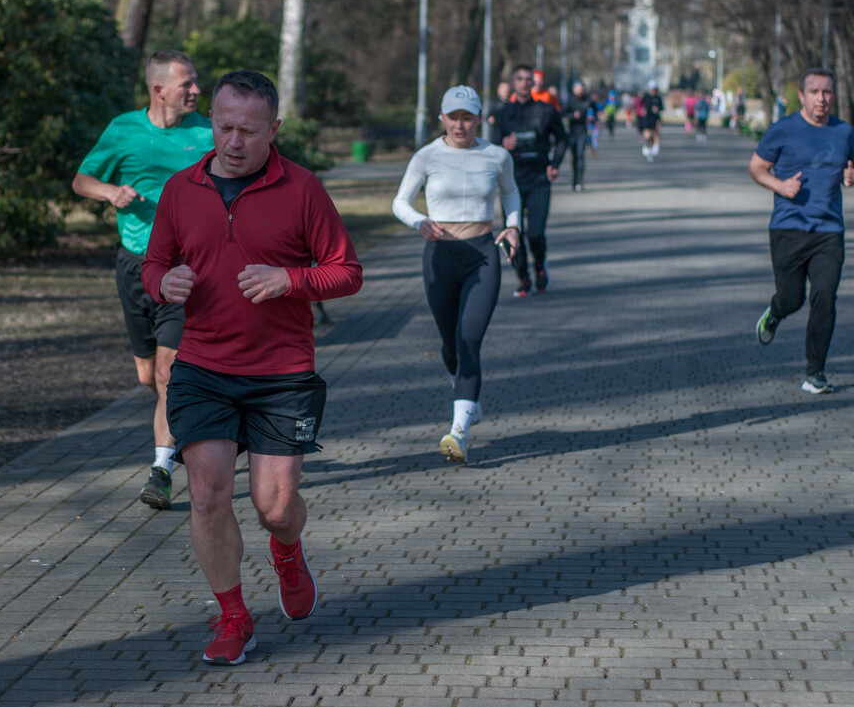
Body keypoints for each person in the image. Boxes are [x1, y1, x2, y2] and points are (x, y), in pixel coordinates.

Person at [142, 70, 362, 665]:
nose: (232, 142)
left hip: (281, 373)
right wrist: (166, 282)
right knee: (207, 496)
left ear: (274, 129)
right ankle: (234, 618)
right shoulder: (182, 189)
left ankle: (287, 551)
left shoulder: (303, 189)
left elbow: (346, 271)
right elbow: (154, 263)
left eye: (247, 130)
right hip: (204, 366)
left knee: (275, 508)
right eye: (223, 127)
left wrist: (290, 279)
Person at [72, 50, 213, 510]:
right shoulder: (123, 130)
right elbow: (81, 180)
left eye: (195, 83)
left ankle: (161, 468)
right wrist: (110, 191)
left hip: (183, 269)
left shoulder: (208, 133)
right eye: (187, 84)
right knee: (148, 374)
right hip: (135, 264)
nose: (196, 91)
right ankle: (185, 422)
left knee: (170, 371)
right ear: (159, 90)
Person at [391, 86, 520, 463]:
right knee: (450, 343)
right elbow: (400, 201)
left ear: (479, 118)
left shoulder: (497, 156)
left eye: (467, 117)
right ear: (442, 119)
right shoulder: (426, 156)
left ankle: (458, 431)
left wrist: (513, 227)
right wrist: (419, 222)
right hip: (439, 255)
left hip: (482, 254)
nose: (460, 125)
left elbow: (511, 195)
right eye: (453, 117)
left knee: (468, 342)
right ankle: (468, 397)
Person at [749, 67, 854, 394]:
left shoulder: (845, 132)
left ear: (833, 95)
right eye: (815, 92)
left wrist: (851, 176)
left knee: (824, 297)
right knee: (793, 299)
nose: (822, 98)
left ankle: (815, 372)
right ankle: (775, 312)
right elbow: (756, 167)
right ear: (801, 96)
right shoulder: (783, 129)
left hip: (828, 230)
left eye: (827, 92)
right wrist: (780, 185)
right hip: (788, 228)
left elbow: (850, 166)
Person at [493, 64, 569, 296]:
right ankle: (522, 277)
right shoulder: (503, 112)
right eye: (520, 79)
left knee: (535, 232)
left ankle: (540, 266)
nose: (525, 83)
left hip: (538, 179)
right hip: (512, 181)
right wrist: (503, 146)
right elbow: (493, 146)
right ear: (513, 83)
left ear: (534, 83)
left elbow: (563, 139)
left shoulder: (546, 110)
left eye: (529, 79)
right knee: (512, 232)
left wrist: (554, 165)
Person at [563, 80, 594, 191]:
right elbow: (563, 114)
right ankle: (574, 180)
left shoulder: (587, 99)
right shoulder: (569, 100)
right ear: (573, 89)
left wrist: (593, 118)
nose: (580, 90)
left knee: (580, 155)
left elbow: (595, 109)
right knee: (574, 157)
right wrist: (572, 116)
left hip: (582, 131)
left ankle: (580, 181)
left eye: (581, 87)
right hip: (572, 132)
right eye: (577, 88)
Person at [637, 80, 665, 161]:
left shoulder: (658, 98)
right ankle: (647, 145)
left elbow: (662, 107)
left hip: (655, 119)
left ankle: (653, 150)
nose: (653, 91)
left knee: (655, 134)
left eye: (654, 89)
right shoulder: (646, 97)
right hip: (647, 119)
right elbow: (640, 105)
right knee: (647, 135)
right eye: (652, 89)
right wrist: (642, 110)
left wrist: (657, 109)